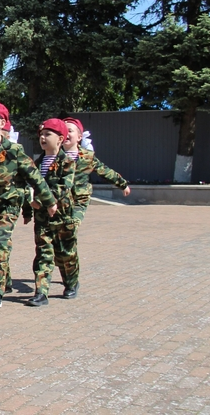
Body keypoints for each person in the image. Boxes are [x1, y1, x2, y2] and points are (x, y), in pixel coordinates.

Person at [0, 101, 57, 315]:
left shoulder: (14, 150)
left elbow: (35, 178)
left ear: (2, 123)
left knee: (0, 245)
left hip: (9, 206)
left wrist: (49, 201)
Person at [60, 117, 130, 298]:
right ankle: (66, 270)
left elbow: (106, 171)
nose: (66, 134)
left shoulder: (87, 157)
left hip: (78, 202)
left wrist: (122, 184)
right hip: (58, 204)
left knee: (69, 234)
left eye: (70, 131)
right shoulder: (53, 155)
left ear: (79, 136)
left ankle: (71, 283)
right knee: (58, 246)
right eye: (63, 130)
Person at [23, 118, 76, 306]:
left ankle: (71, 282)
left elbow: (63, 187)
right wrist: (28, 210)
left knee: (65, 254)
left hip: (63, 218)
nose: (43, 138)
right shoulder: (37, 163)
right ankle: (41, 292)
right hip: (42, 218)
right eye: (41, 134)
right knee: (43, 253)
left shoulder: (67, 162)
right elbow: (28, 186)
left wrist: (41, 201)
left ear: (61, 139)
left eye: (48, 134)